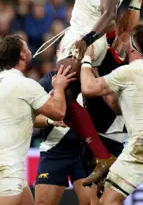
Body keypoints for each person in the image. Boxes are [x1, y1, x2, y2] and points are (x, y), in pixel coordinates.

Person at [52, 0, 143, 186]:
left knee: (59, 91)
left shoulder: (113, 47)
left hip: (110, 130)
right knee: (63, 97)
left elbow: (119, 26)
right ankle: (101, 156)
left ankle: (102, 156)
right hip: (93, 130)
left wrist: (85, 51)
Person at [79, 22, 143, 205]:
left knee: (107, 201)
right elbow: (117, 107)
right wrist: (97, 75)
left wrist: (87, 60)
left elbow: (87, 89)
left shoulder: (129, 72)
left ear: (134, 46)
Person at [0, 35, 75, 205]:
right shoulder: (25, 85)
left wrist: (49, 122)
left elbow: (23, 117)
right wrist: (59, 86)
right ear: (22, 56)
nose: (31, 52)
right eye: (27, 49)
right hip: (3, 164)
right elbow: (59, 112)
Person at [33, 73, 97, 205]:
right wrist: (50, 120)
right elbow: (29, 118)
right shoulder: (45, 82)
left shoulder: (91, 79)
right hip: (54, 151)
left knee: (92, 202)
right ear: (58, 52)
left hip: (84, 152)